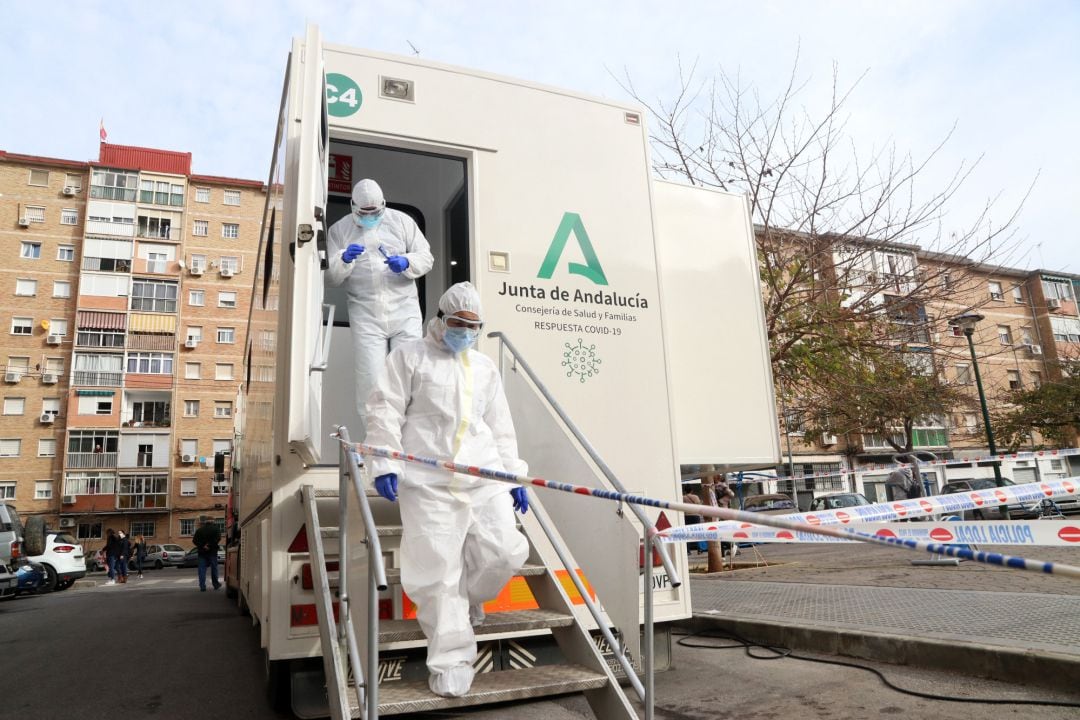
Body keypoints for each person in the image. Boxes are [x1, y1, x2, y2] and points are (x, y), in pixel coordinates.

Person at [365, 282, 530, 698]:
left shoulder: (485, 368)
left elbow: (500, 429)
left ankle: (471, 598)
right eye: (458, 323)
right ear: (440, 320)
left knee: (506, 550)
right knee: (438, 573)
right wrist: (384, 460)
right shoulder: (409, 357)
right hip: (428, 482)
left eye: (473, 326)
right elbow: (384, 410)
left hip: (482, 476)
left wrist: (514, 477)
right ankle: (452, 662)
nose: (465, 331)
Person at [325, 178, 434, 427]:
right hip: (366, 314)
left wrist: (407, 262)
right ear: (353, 207)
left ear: (383, 205)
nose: (370, 216)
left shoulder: (402, 221)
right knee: (370, 380)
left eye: (375, 212)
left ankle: (411, 440)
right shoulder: (340, 231)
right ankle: (377, 441)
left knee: (409, 374)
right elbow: (330, 277)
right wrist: (343, 258)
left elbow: (426, 257)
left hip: (404, 311)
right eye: (364, 213)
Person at [192, 518, 222, 592]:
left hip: (202, 553)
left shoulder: (199, 530)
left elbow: (194, 541)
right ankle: (215, 584)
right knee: (214, 568)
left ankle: (202, 586)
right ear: (212, 522)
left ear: (205, 522)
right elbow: (218, 539)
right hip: (212, 552)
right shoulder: (216, 529)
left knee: (202, 570)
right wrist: (209, 545)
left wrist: (203, 546)